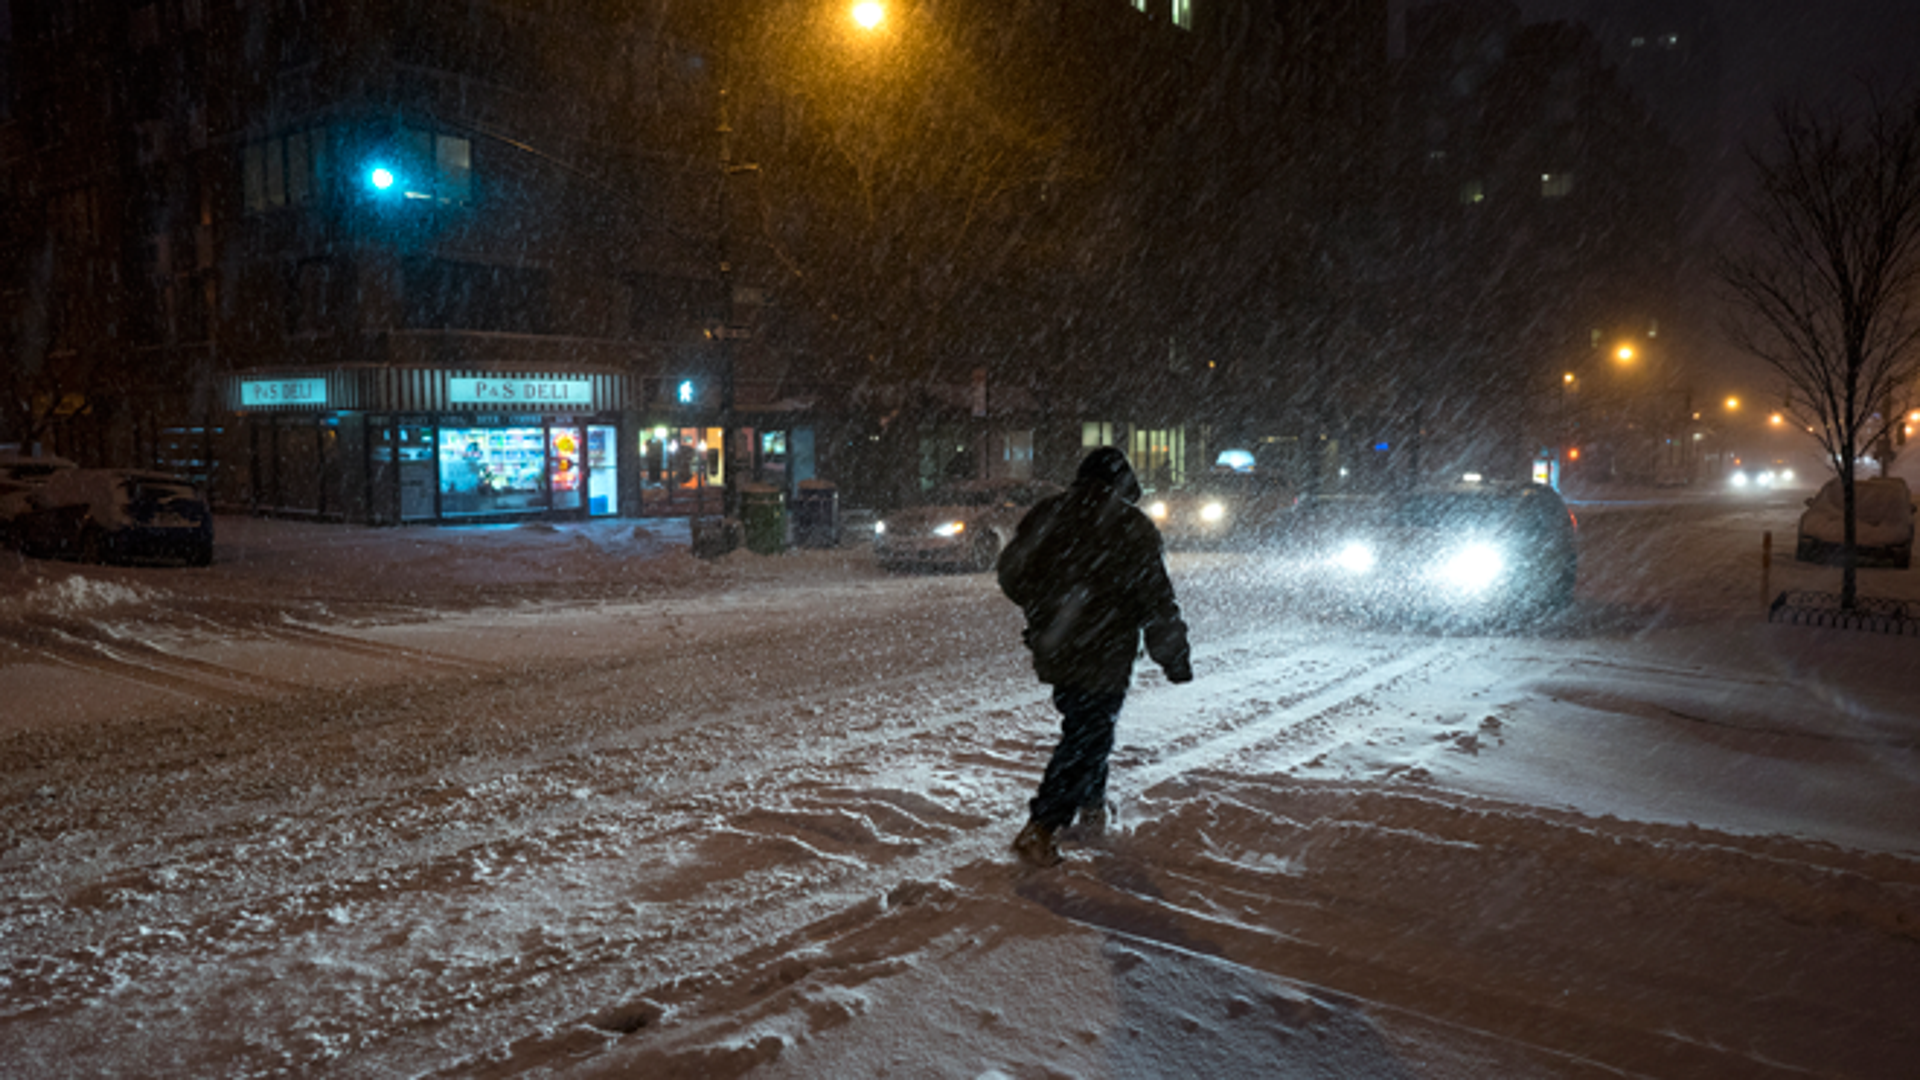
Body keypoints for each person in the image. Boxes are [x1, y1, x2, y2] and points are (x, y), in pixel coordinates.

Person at [996, 447, 1193, 867]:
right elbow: (1157, 599)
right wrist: (1172, 655)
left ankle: (1091, 808)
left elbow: (1011, 573)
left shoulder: (1048, 513)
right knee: (1089, 734)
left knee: (1085, 725)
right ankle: (1043, 826)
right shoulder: (1130, 526)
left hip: (1056, 644)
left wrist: (1045, 607)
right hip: (1107, 649)